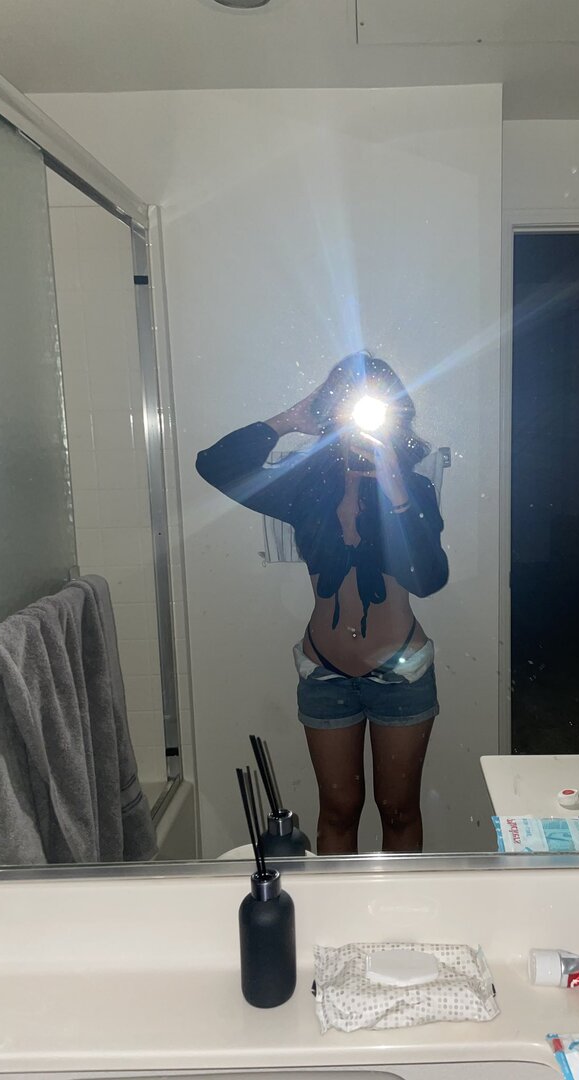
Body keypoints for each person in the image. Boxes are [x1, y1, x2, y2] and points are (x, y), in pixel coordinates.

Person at [196, 351, 448, 854]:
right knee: (337, 811)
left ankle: (400, 904)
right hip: (324, 674)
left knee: (399, 809)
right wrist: (288, 420)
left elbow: (428, 579)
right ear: (330, 411)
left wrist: (397, 491)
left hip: (402, 672)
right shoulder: (303, 486)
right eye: (345, 404)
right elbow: (215, 466)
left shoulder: (413, 489)